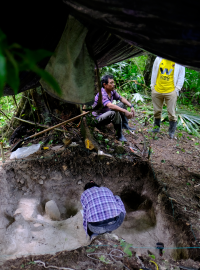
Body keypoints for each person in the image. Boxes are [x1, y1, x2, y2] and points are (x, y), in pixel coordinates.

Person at [92, 74, 135, 142]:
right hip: (98, 118)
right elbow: (110, 106)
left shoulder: (111, 91)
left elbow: (121, 98)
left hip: (106, 113)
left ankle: (124, 125)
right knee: (114, 111)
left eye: (113, 82)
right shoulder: (102, 94)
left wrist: (131, 106)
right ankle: (119, 135)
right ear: (105, 85)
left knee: (122, 104)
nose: (113, 84)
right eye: (111, 83)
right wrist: (125, 111)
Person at [150, 57, 185, 139]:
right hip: (157, 89)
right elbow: (154, 71)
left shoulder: (179, 61)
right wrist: (152, 86)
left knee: (171, 113)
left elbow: (181, 75)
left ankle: (171, 132)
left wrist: (177, 89)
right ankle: (156, 128)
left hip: (171, 91)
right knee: (157, 111)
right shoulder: (159, 58)